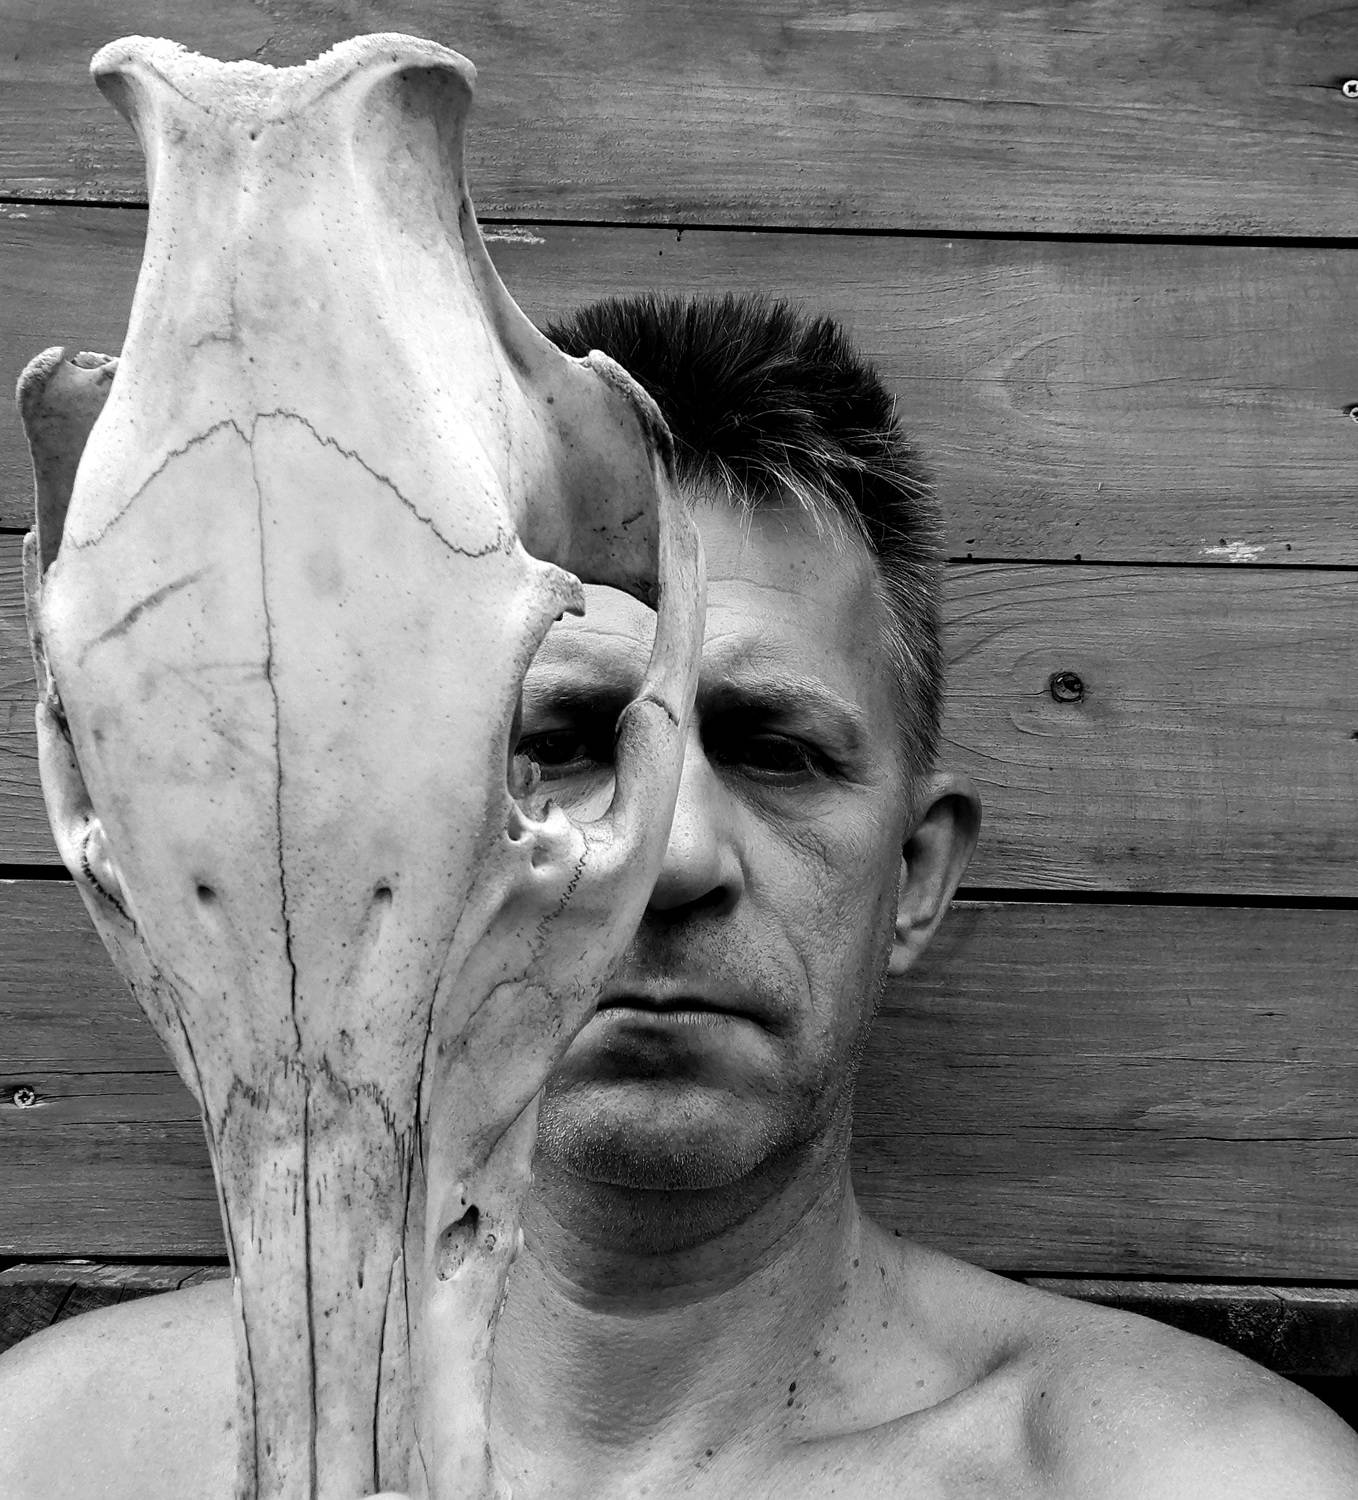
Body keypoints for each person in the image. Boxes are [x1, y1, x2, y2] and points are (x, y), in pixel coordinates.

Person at [1, 293, 1355, 1499]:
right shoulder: (56, 1454)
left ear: (914, 875)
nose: (675, 850)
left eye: (776, 751)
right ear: (408, 835)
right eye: (566, 739)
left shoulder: (1202, 1478)